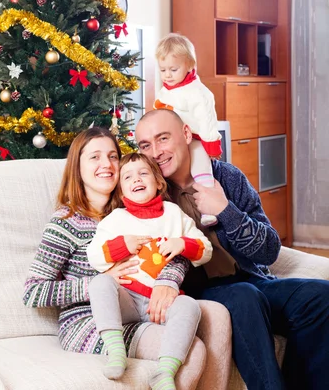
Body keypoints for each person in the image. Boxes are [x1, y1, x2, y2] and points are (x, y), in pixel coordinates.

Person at [135, 108, 329, 390]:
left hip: (252, 281)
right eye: (145, 145)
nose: (156, 151)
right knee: (244, 295)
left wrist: (226, 210)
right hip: (198, 294)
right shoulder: (146, 190)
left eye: (163, 138)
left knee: (320, 296)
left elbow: (269, 251)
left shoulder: (226, 177)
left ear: (186, 134)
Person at [23, 127, 206, 390]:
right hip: (89, 322)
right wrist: (99, 280)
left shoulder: (133, 209)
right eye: (94, 157)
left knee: (217, 317)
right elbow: (33, 292)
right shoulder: (66, 222)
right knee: (194, 351)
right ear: (77, 167)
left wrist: (168, 280)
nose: (106, 164)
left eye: (112, 156)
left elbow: (172, 248)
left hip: (143, 304)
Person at [87, 152, 212, 388]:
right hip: (128, 299)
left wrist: (182, 243)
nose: (137, 180)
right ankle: (116, 352)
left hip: (163, 304)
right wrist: (123, 245)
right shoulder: (116, 219)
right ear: (121, 191)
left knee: (190, 306)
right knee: (100, 283)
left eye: (144, 173)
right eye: (128, 177)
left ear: (158, 182)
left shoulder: (174, 214)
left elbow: (205, 249)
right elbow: (94, 256)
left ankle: (164, 372)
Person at [154, 33, 221, 226]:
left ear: (190, 66)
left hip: (196, 138)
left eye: (173, 69)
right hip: (172, 140)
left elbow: (207, 121)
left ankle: (208, 208)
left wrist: (212, 146)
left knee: (200, 165)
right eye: (163, 70)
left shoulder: (199, 94)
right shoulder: (166, 89)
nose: (167, 75)